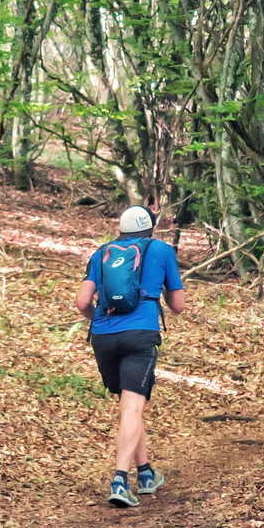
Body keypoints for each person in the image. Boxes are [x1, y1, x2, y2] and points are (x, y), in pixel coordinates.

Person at [75, 205, 185, 508]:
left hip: (103, 336)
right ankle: (120, 480)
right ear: (150, 229)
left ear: (121, 230)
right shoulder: (161, 250)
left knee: (129, 405)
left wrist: (96, 320)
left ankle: (146, 473)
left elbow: (82, 301)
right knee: (134, 406)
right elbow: (178, 305)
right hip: (141, 335)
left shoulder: (101, 253)